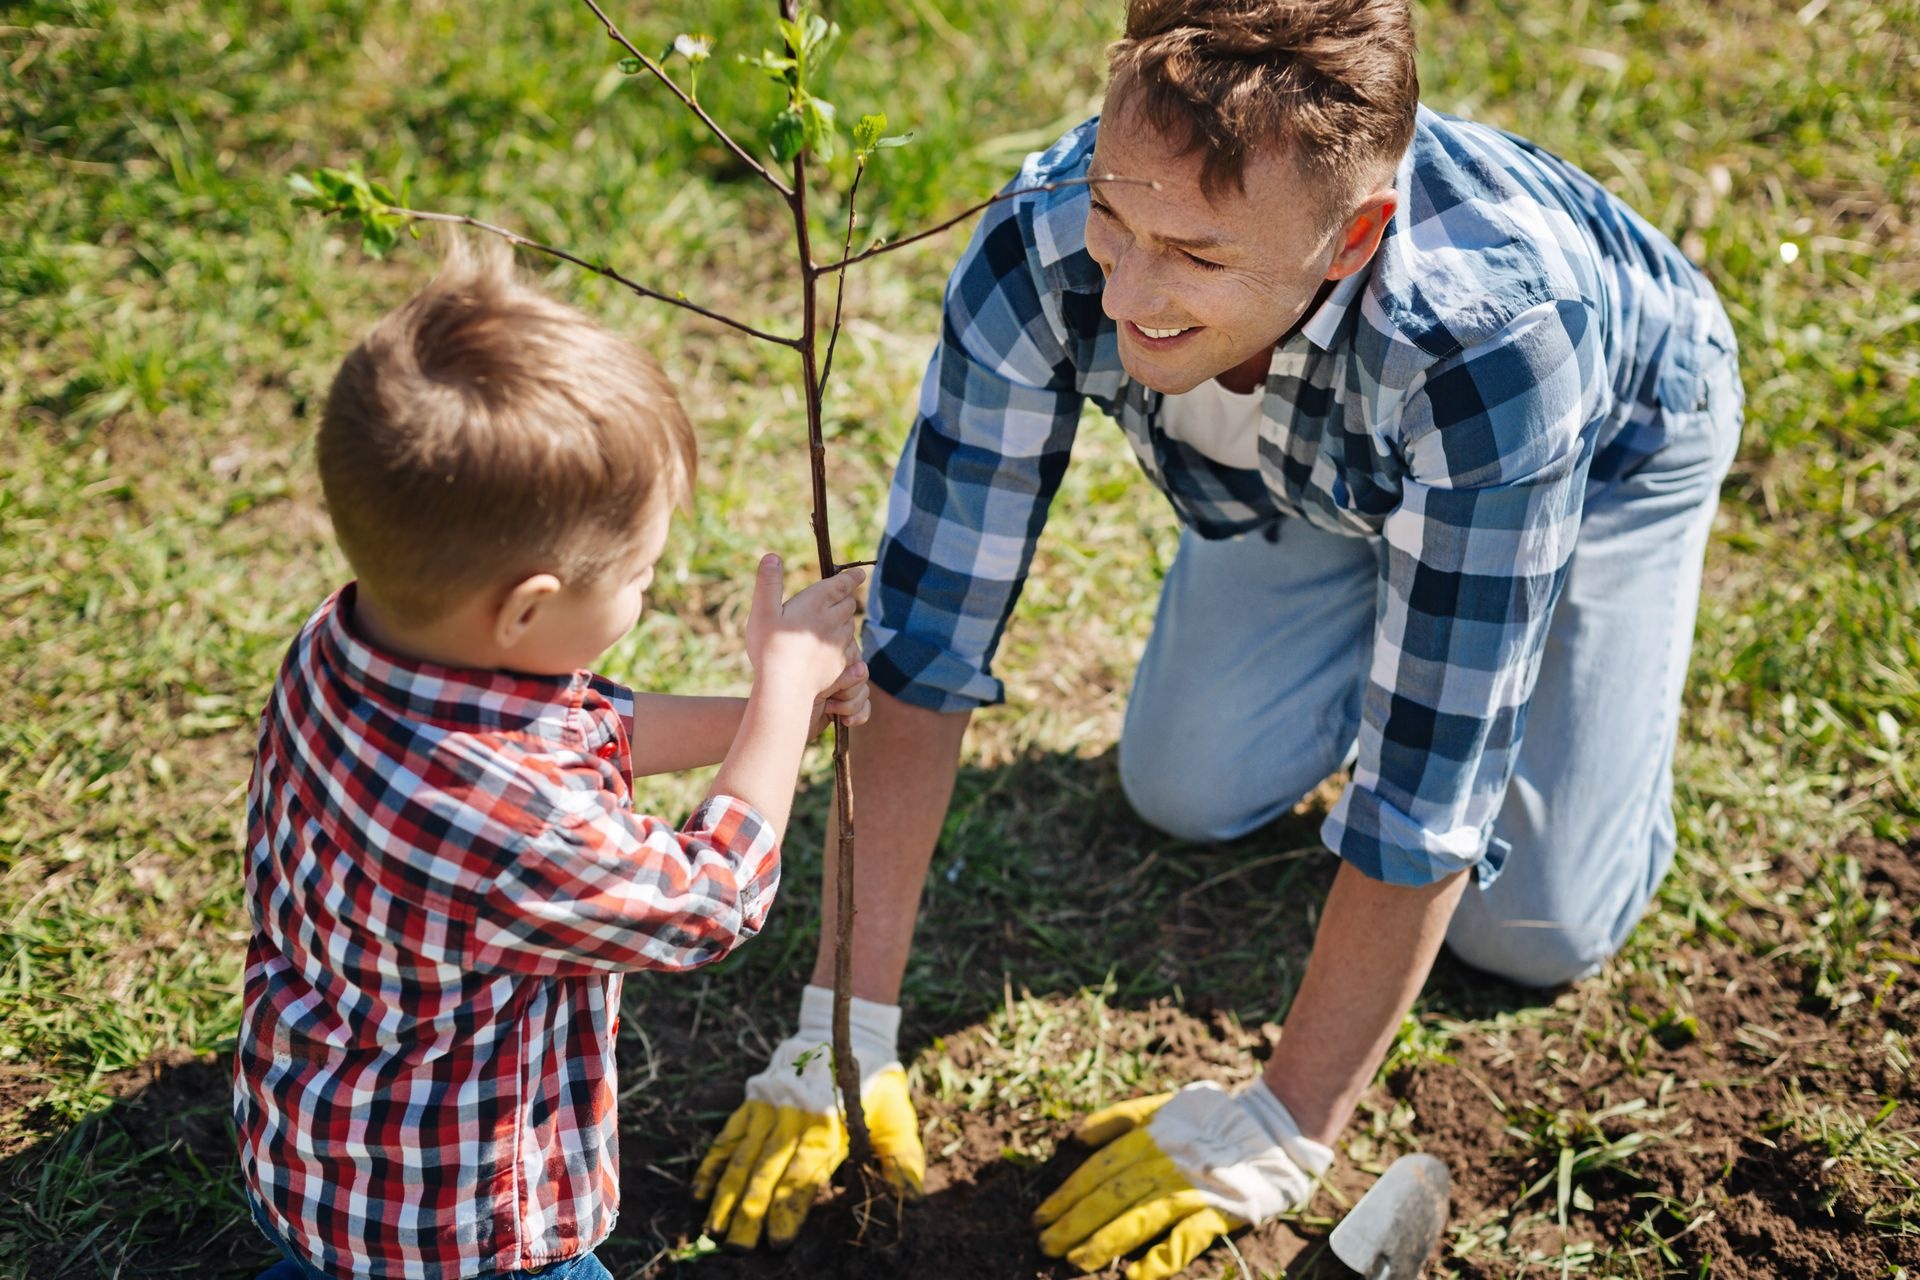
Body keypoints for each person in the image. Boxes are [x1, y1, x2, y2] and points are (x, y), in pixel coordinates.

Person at [695, 0, 1745, 1274]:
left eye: (1191, 252)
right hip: (1306, 461)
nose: (1124, 289)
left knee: (1531, 928)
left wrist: (1288, 1120)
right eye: (1116, 220)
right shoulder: (1043, 239)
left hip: (1604, 450)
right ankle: (1390, 561)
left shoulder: (1494, 345)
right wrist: (842, 1024)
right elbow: (923, 636)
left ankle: (1560, 670)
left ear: (1351, 236)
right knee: (1184, 789)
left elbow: (1429, 787)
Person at [232, 237, 870, 1280]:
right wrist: (787, 690)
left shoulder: (342, 647)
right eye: (642, 573)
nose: (650, 589)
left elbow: (582, 728)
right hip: (465, 1229)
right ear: (529, 606)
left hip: (320, 1155)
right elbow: (709, 899)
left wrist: (768, 711)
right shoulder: (503, 823)